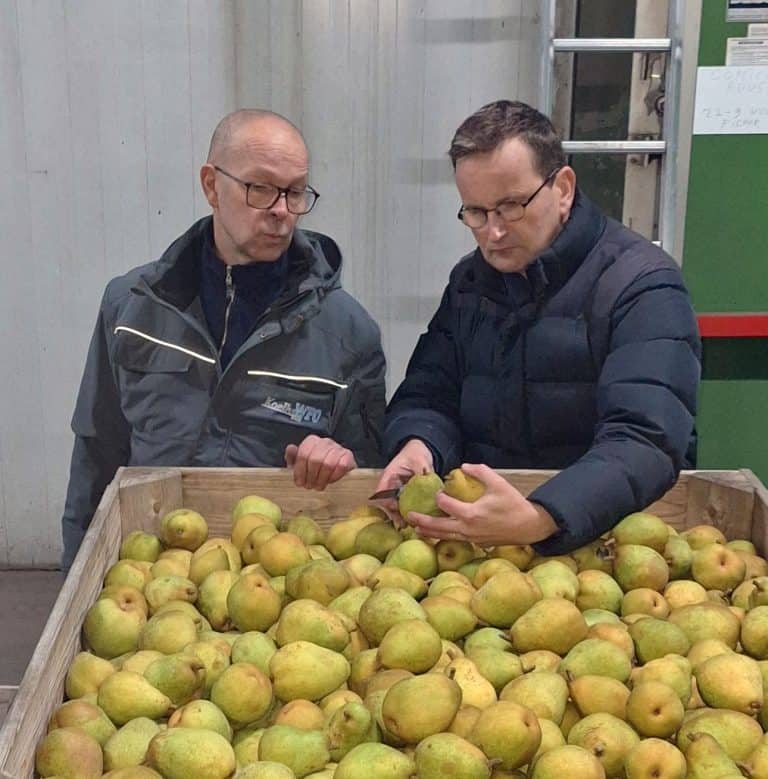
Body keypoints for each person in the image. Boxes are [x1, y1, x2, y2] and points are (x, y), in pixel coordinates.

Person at [62, 109, 386, 568]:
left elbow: (367, 484)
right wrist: (77, 577)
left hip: (280, 595)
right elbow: (97, 452)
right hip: (144, 577)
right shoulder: (131, 308)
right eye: (260, 189)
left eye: (295, 191)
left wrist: (341, 460)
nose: (281, 211)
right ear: (212, 185)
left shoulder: (348, 333)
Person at [375, 99, 700, 556]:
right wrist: (418, 445)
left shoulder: (641, 285)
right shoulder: (470, 282)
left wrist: (542, 517)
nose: (493, 233)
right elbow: (431, 390)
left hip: (607, 545)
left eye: (510, 207)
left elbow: (646, 439)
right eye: (475, 213)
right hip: (484, 551)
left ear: (563, 188)